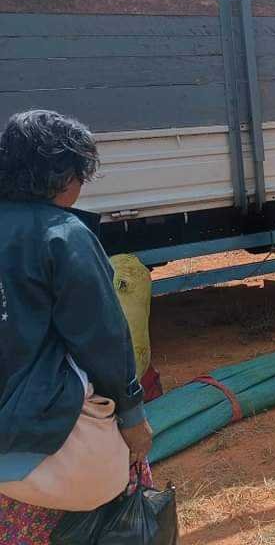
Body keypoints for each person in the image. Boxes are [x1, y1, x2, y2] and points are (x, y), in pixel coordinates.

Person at [0, 111, 152, 539]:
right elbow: (103, 339)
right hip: (42, 447)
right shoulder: (63, 235)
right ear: (63, 175)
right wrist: (133, 417)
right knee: (129, 491)